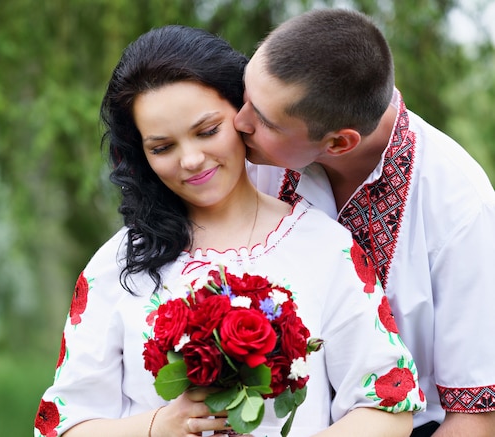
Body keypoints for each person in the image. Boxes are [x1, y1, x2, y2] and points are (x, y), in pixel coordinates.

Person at [34, 25, 425, 437]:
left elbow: (388, 406)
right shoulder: (119, 267)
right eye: (162, 147)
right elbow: (61, 426)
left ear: (243, 115)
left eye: (207, 131)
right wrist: (159, 427)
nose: (190, 160)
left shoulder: (326, 249)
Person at [234, 8, 495, 437]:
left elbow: (474, 420)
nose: (238, 122)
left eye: (263, 121)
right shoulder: (254, 152)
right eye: (244, 95)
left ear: (339, 142)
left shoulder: (460, 208)